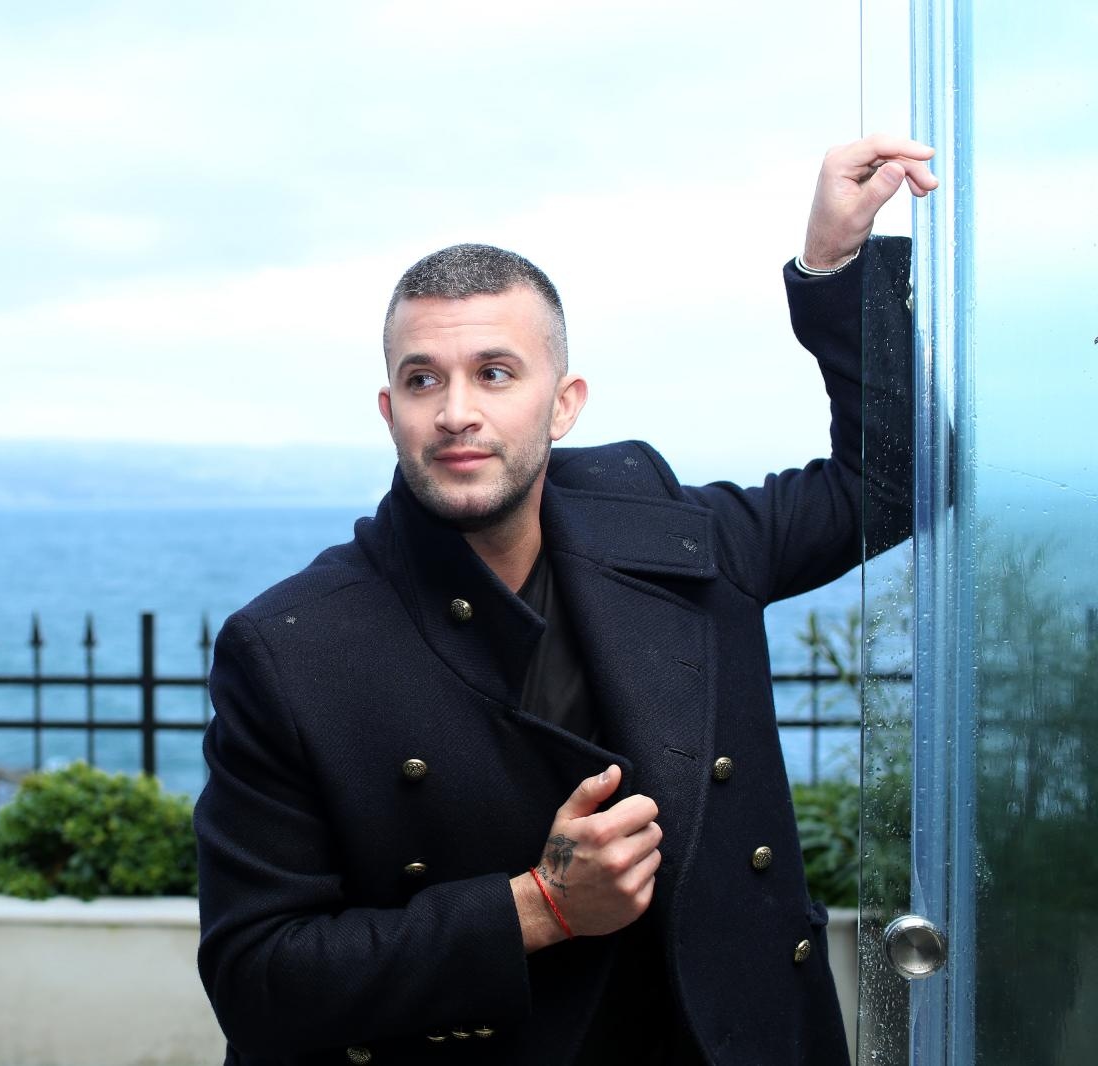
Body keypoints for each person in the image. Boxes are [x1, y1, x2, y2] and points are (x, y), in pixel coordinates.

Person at [194, 136, 936, 1065]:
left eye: (495, 373)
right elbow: (256, 980)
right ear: (390, 412)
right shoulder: (292, 646)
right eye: (422, 380)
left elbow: (888, 485)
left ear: (565, 403)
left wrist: (835, 268)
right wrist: (537, 907)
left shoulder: (671, 535)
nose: (456, 411)